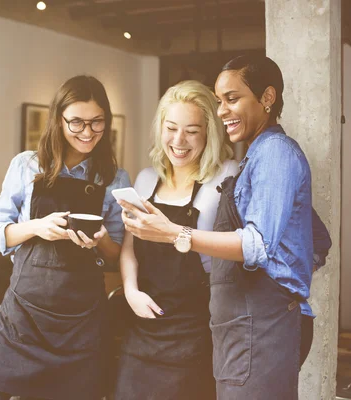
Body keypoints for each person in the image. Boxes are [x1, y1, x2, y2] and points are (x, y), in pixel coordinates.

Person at [118, 55, 332, 400]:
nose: (222, 110)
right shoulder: (256, 156)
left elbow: (258, 245)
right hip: (239, 324)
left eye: (231, 99)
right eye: (220, 101)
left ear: (267, 98)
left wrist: (279, 293)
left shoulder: (274, 153)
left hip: (257, 325)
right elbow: (317, 238)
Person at [0, 75, 131, 400]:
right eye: (77, 123)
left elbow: (116, 254)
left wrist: (99, 239)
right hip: (23, 318)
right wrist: (37, 227)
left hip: (81, 324)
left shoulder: (113, 177)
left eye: (97, 123)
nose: (88, 132)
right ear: (58, 119)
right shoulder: (27, 165)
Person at [113, 80, 237, 400]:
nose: (179, 141)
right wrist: (130, 291)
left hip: (196, 328)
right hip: (141, 323)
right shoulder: (145, 178)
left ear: (209, 132)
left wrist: (177, 233)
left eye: (192, 131)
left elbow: (238, 248)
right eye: (171, 128)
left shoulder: (225, 176)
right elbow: (130, 248)